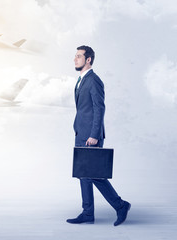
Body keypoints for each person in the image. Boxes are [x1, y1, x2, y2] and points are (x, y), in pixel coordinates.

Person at [67, 45, 131, 226]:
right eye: (75, 56)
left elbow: (99, 108)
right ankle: (88, 213)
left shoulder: (94, 80)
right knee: (83, 175)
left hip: (90, 135)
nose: (75, 59)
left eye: (79, 56)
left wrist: (94, 134)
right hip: (81, 133)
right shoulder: (81, 80)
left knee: (94, 175)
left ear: (88, 59)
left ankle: (120, 206)